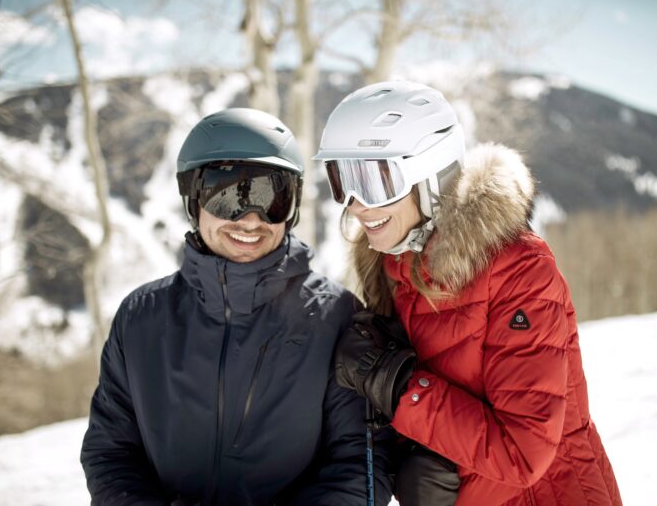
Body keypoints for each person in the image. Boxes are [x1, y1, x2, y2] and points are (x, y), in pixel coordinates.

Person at [314, 81, 623, 506]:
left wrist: (397, 383)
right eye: (342, 180)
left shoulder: (518, 270)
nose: (355, 204)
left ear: (430, 174)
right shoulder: (392, 265)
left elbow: (523, 452)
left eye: (374, 181)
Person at [81, 108, 393, 506]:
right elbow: (112, 452)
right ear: (194, 199)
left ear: (292, 209)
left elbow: (362, 463)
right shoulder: (141, 318)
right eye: (228, 197)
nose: (250, 220)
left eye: (272, 199)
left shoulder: (336, 318)